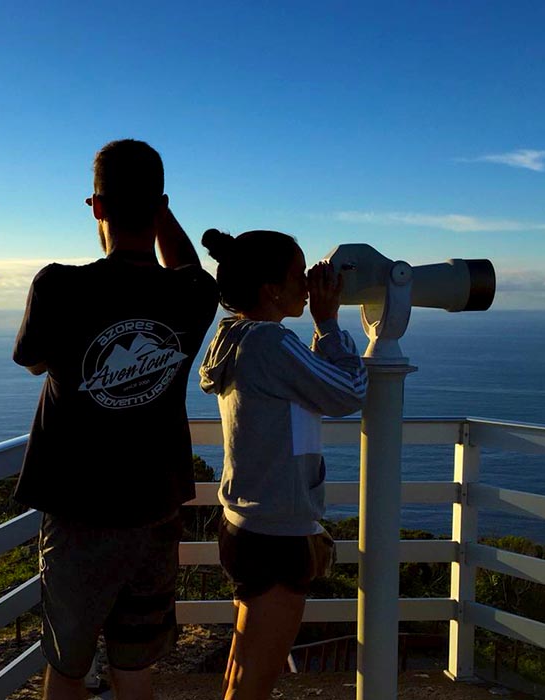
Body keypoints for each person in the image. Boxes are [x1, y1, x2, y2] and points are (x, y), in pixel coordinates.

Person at [12, 139, 218, 700]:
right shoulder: (192, 294)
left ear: (96, 207)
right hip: (155, 511)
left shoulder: (59, 286)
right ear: (161, 207)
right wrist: (160, 211)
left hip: (80, 511)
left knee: (68, 669)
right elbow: (187, 266)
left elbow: (34, 362)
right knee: (134, 670)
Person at [198, 228, 367, 700]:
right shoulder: (270, 342)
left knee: (241, 667)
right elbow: (349, 391)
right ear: (271, 289)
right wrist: (328, 322)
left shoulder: (232, 336)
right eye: (299, 274)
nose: (310, 283)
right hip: (276, 530)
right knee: (255, 680)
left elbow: (304, 385)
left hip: (243, 523)